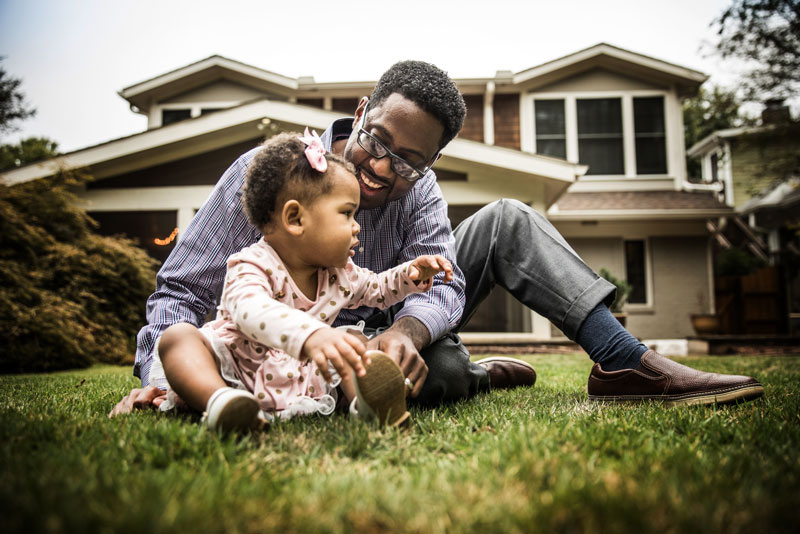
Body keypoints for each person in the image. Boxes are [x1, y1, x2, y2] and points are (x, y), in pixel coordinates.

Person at [110, 60, 763, 418]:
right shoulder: (268, 175)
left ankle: (623, 360)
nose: (378, 168)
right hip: (289, 348)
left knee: (508, 219)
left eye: (407, 162)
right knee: (447, 374)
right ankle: (476, 376)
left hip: (382, 331)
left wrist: (409, 331)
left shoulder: (418, 192)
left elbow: (442, 278)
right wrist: (161, 378)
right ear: (360, 111)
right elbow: (180, 295)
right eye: (377, 142)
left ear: (429, 167)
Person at [156, 130, 453, 430]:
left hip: (297, 377)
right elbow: (250, 311)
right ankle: (220, 402)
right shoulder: (251, 264)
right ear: (296, 219)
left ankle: (368, 407)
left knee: (354, 343)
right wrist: (311, 335)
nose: (356, 227)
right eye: (347, 214)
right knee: (178, 337)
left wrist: (411, 275)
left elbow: (377, 289)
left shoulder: (339, 273)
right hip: (235, 370)